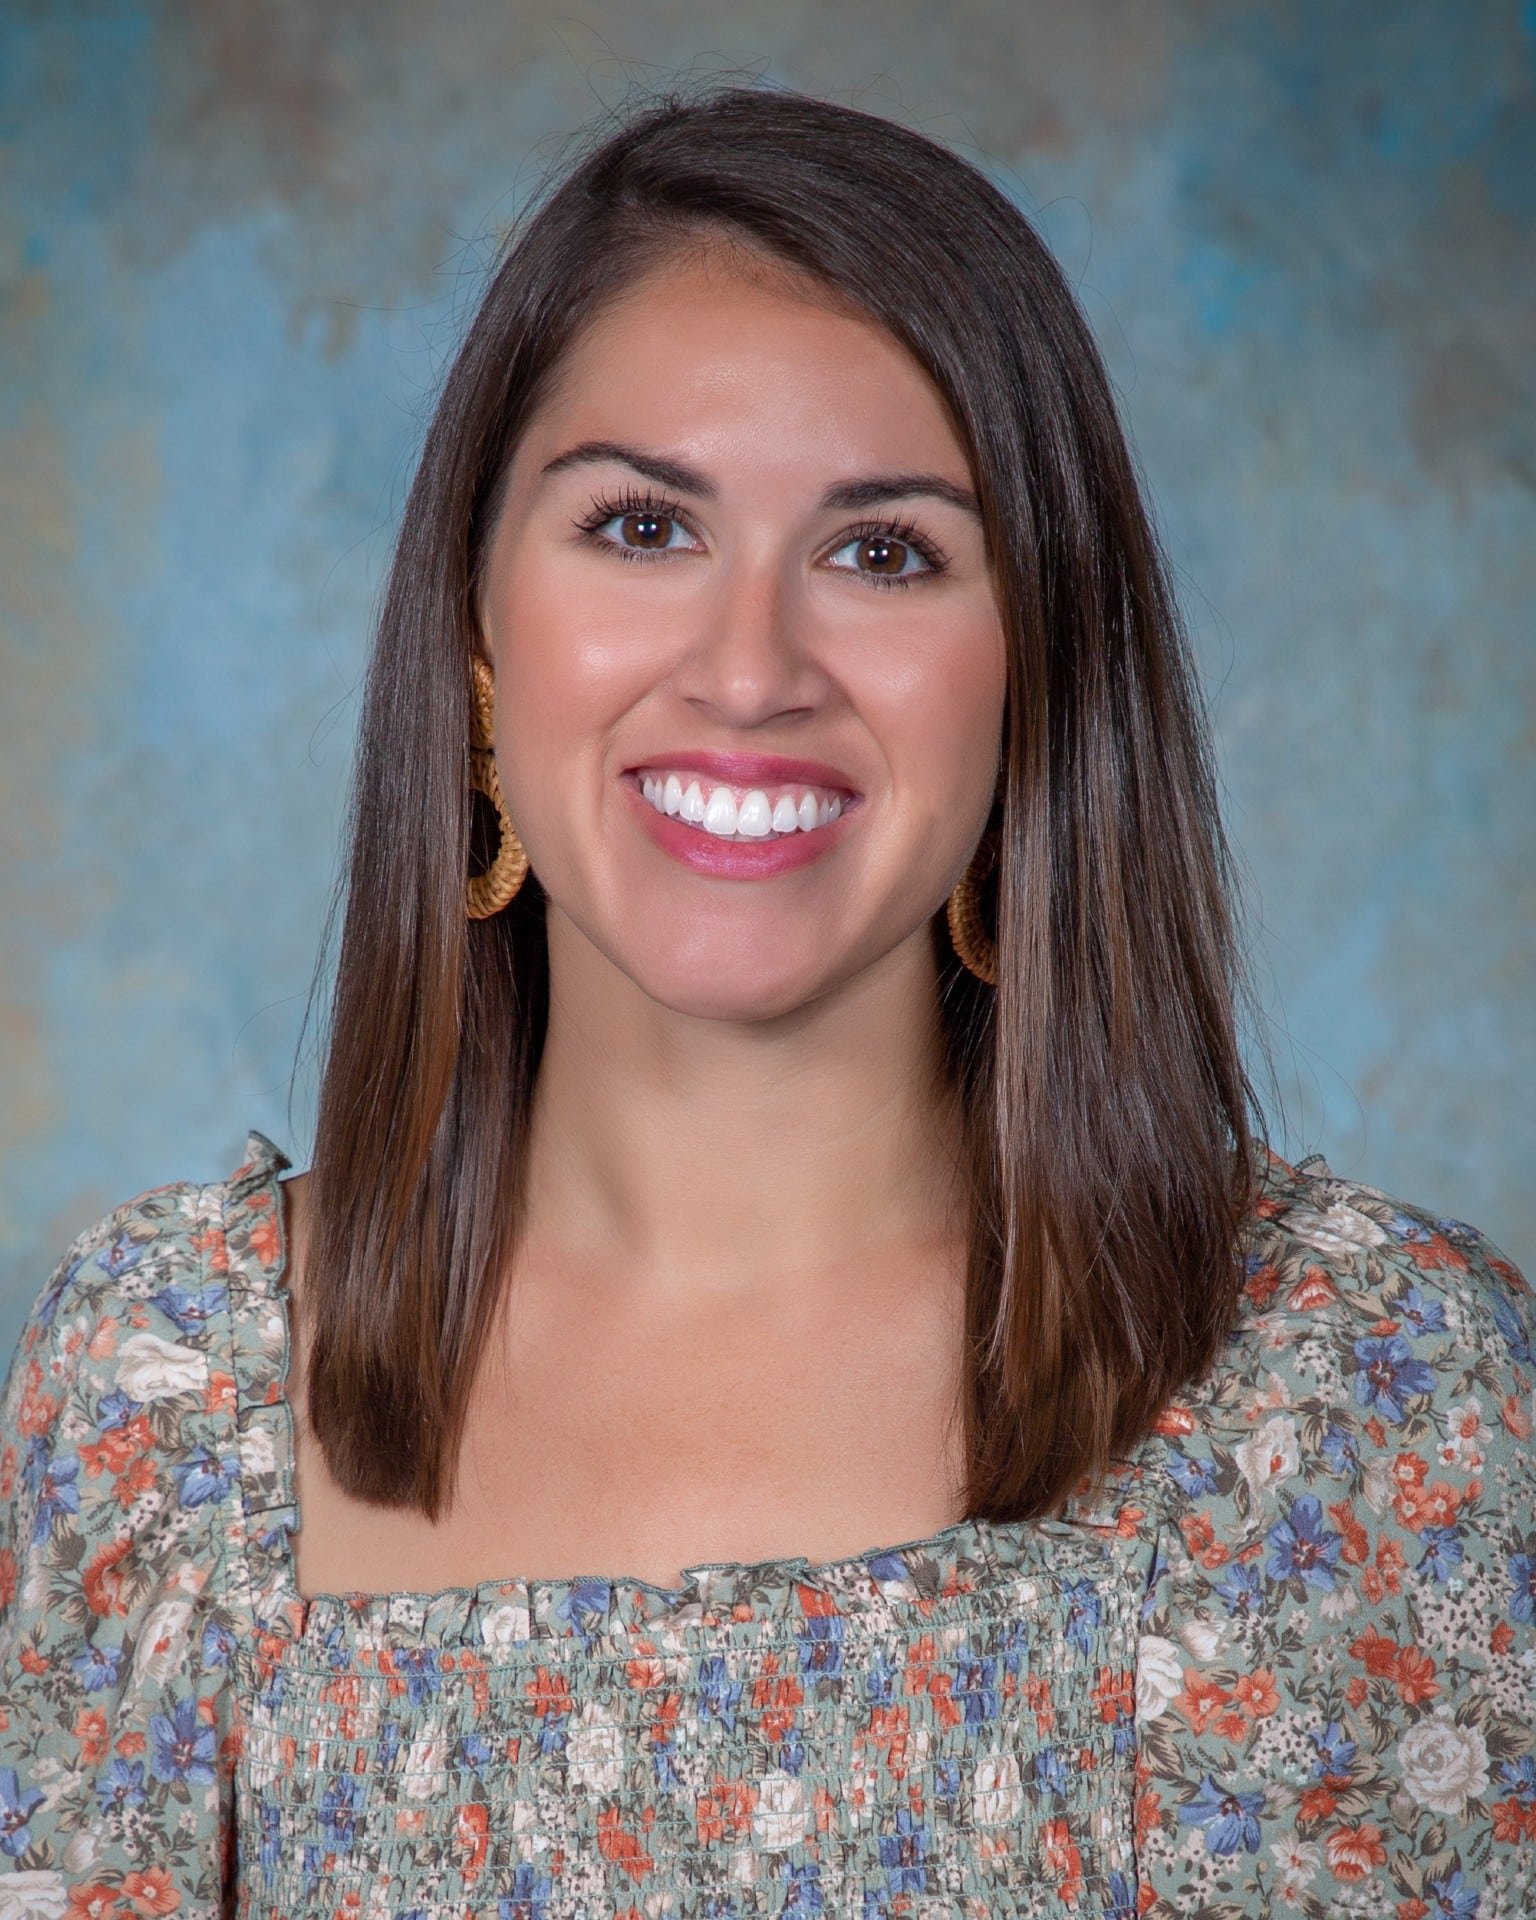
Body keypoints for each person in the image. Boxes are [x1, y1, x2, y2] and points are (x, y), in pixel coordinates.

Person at [1, 81, 1531, 1920]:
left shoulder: (1372, 1397)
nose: (749, 672)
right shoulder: (163, 1396)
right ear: (478, 634)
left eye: (884, 553)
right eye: (644, 527)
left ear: (1035, 673)